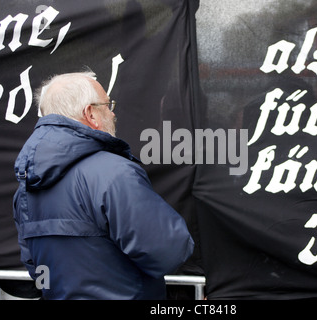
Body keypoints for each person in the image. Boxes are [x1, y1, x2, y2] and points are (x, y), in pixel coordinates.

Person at [13, 71, 194, 300]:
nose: (113, 112)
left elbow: (34, 267)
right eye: (107, 105)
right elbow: (168, 251)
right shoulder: (114, 174)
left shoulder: (27, 186)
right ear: (91, 114)